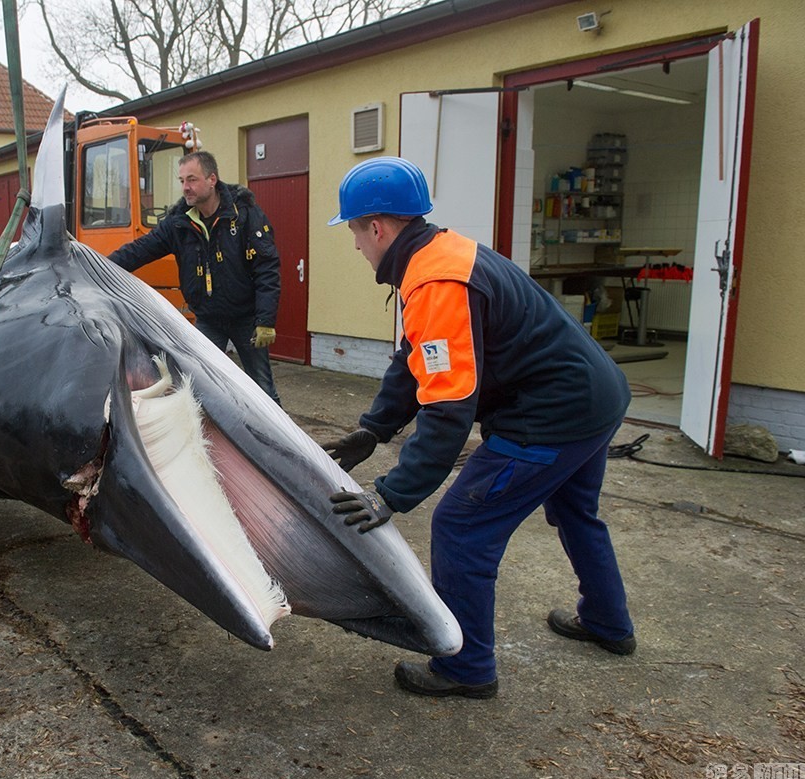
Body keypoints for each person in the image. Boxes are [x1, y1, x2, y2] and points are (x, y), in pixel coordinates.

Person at [322, 157, 635, 700]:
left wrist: (392, 493)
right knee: (575, 511)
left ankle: (466, 669)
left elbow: (448, 408)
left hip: (551, 416)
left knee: (461, 527)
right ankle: (609, 623)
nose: (355, 246)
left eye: (353, 231)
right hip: (594, 398)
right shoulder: (440, 255)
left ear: (377, 227)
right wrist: (372, 430)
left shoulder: (438, 281)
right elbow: (412, 359)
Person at [109, 151, 282, 403]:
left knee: (263, 389)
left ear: (212, 179)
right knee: (198, 388)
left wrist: (265, 320)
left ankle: (279, 441)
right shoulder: (179, 223)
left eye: (192, 179)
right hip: (208, 320)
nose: (185, 188)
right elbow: (140, 250)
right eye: (182, 181)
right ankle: (207, 439)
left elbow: (266, 267)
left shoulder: (244, 214)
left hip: (247, 319)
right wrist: (100, 264)